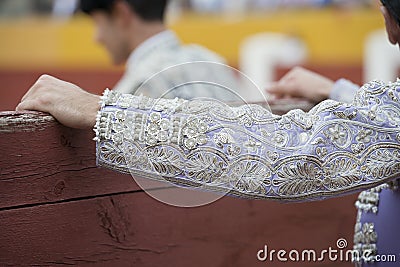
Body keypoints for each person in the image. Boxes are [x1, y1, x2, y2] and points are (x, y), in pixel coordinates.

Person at [16, 0, 400, 266]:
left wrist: (104, 112)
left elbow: (288, 155)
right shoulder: (206, 58)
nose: (96, 37)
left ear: (390, 24)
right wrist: (339, 94)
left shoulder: (147, 76)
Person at [79, 0, 237, 100]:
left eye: (98, 23)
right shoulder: (212, 60)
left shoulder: (138, 86)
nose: (97, 38)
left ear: (121, 13)